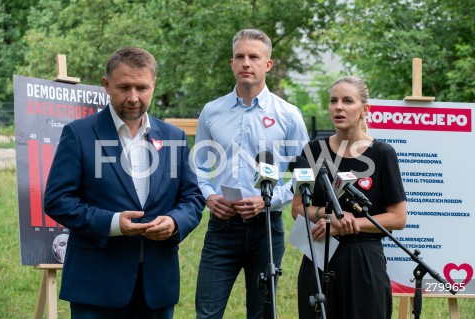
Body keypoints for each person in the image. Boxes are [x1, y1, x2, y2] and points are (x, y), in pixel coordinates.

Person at [44, 47, 205, 319]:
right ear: (106, 85)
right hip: (96, 285)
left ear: (154, 85)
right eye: (124, 87)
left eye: (142, 87)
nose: (133, 97)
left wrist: (175, 222)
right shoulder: (79, 134)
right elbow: (58, 200)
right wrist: (114, 223)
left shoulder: (173, 137)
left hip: (157, 286)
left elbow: (192, 197)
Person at [193, 29, 309, 318]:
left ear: (267, 64)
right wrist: (209, 196)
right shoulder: (211, 112)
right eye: (240, 57)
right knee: (207, 313)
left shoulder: (288, 115)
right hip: (222, 227)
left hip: (266, 229)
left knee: (262, 313)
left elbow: (305, 172)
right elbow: (197, 167)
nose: (246, 63)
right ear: (231, 63)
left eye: (254, 57)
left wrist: (270, 200)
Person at [291, 75, 407, 319]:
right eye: (333, 101)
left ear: (365, 109)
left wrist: (348, 225)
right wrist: (328, 217)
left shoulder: (382, 153)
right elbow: (298, 209)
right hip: (320, 255)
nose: (338, 107)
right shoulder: (313, 150)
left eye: (347, 101)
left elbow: (397, 218)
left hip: (364, 258)